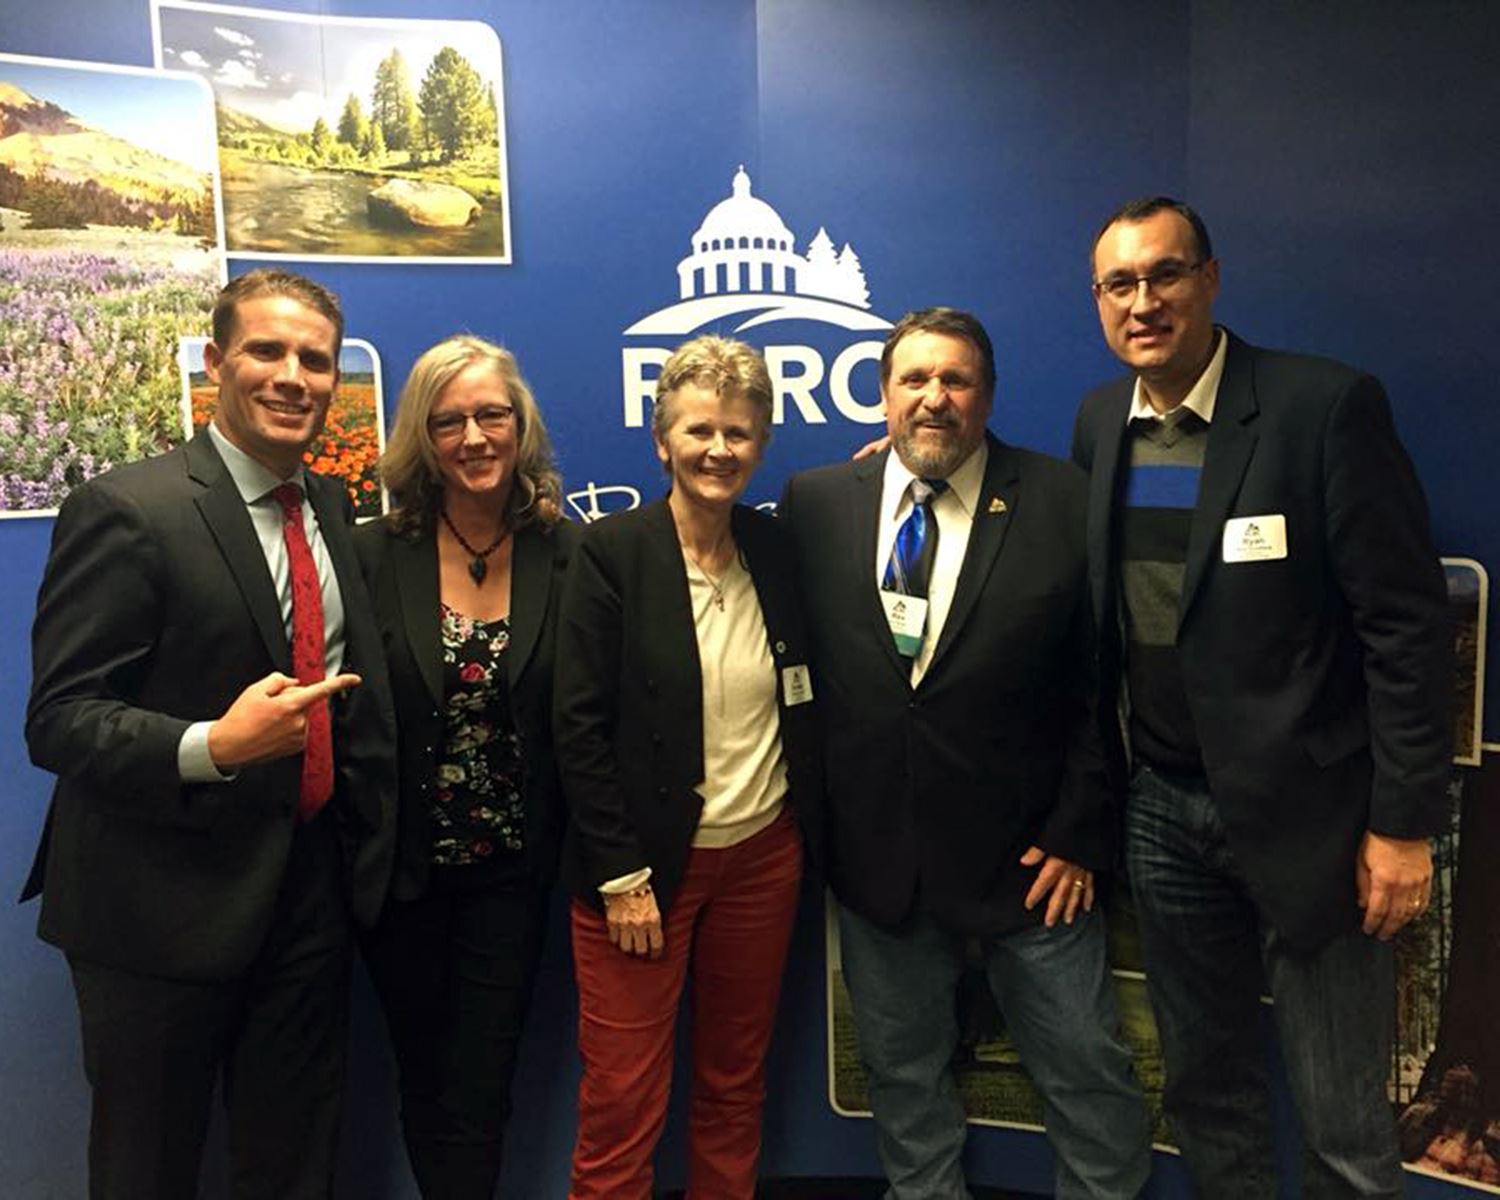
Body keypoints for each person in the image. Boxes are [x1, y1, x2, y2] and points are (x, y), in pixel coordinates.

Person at [1072, 196, 1453, 1197]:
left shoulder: (1321, 408)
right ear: (1099, 302)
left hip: (1313, 821)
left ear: (1209, 279)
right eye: (1120, 284)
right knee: (1207, 1094)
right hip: (1161, 813)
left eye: (1165, 274)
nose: (1143, 302)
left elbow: (1406, 626)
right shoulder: (1100, 424)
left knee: (1341, 1123)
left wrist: (1403, 826)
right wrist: (905, 477)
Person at [22, 268, 396, 1199]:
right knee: (148, 1170)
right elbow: (60, 718)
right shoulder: (128, 508)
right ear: (218, 362)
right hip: (156, 909)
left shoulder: (332, 507)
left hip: (304, 897)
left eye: (315, 359)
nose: (293, 377)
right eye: (267, 351)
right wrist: (213, 747)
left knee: (294, 1162)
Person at [780, 307, 1150, 1200]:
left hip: (1033, 865)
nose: (934, 398)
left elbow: (1099, 681)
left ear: (987, 395)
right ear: (882, 395)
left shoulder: (1063, 499)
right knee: (904, 1081)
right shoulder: (817, 502)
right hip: (881, 864)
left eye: (956, 380)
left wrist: (1077, 832)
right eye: (915, 379)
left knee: (1089, 1075)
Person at [554, 334, 822, 1200]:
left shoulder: (775, 550)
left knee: (734, 1083)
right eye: (699, 430)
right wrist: (621, 876)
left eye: (739, 433)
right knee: (623, 1098)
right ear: (661, 440)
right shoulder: (612, 552)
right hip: (642, 874)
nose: (719, 450)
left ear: (763, 444)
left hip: (761, 862)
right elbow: (577, 727)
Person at [353, 335, 575, 1197]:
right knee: (424, 1078)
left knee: (484, 1085)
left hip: (510, 874)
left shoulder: (568, 551)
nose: (475, 437)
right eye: (450, 421)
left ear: (521, 425)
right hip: (401, 874)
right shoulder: (373, 552)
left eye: (492, 415)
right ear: (424, 436)